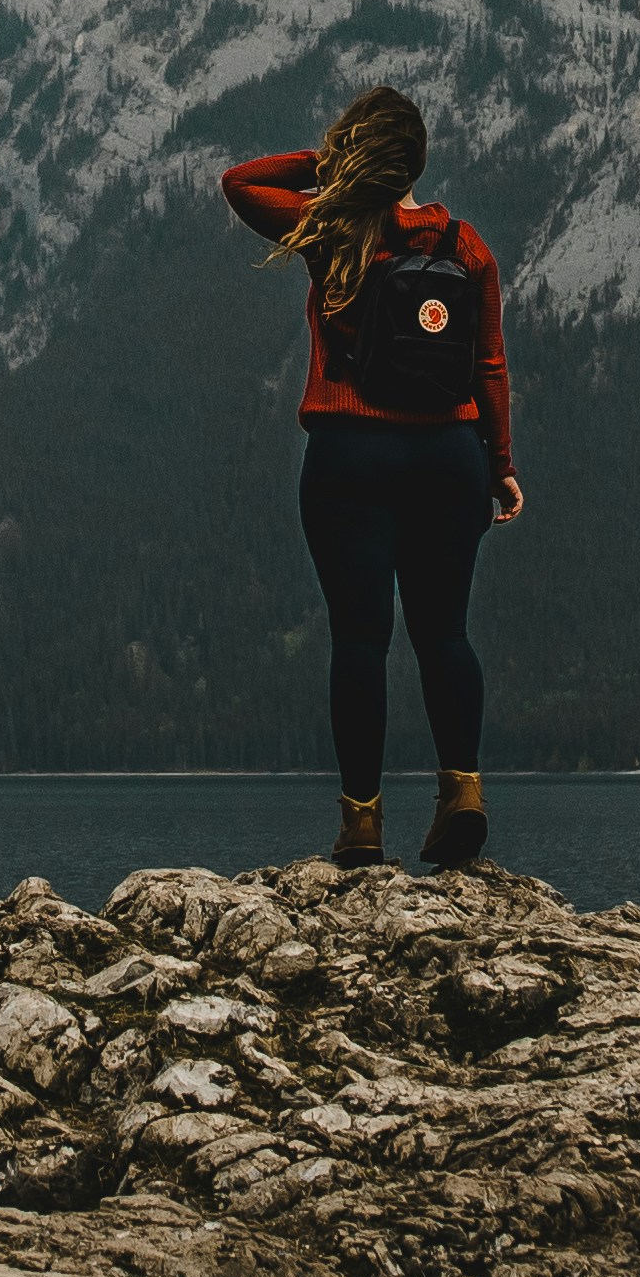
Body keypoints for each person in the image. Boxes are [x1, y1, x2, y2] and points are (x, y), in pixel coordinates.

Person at [222, 84, 517, 870]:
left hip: (351, 455)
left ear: (361, 156)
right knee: (445, 632)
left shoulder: (335, 228)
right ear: (418, 160)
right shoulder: (467, 244)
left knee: (360, 638)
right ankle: (463, 796)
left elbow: (241, 183)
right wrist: (502, 467)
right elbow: (489, 365)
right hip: (451, 457)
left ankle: (362, 825)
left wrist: (330, 166)